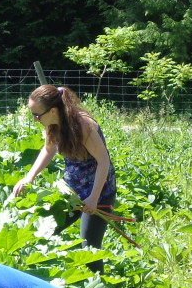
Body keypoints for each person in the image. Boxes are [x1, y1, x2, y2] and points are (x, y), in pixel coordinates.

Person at [11, 84, 117, 272]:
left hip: (99, 189)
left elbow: (104, 161)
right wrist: (29, 177)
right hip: (71, 188)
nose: (35, 120)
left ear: (53, 111)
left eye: (37, 115)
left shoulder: (84, 126)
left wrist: (93, 198)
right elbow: (48, 149)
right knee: (46, 230)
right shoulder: (51, 125)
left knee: (90, 247)